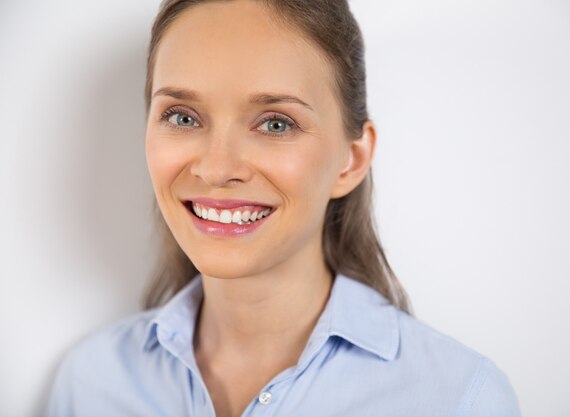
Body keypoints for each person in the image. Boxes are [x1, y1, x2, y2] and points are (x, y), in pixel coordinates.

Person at [45, 0, 522, 416]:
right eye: (183, 117)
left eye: (275, 124)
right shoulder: (90, 383)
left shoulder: (460, 399)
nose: (216, 168)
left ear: (351, 160)